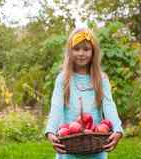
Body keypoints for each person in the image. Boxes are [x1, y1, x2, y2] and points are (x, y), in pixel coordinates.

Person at [44, 27, 124, 159]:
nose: (81, 53)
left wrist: (117, 129)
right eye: (76, 49)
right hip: (69, 143)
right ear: (70, 51)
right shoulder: (64, 79)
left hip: (95, 143)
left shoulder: (101, 79)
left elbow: (109, 106)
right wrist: (50, 131)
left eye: (86, 49)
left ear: (93, 52)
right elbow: (56, 107)